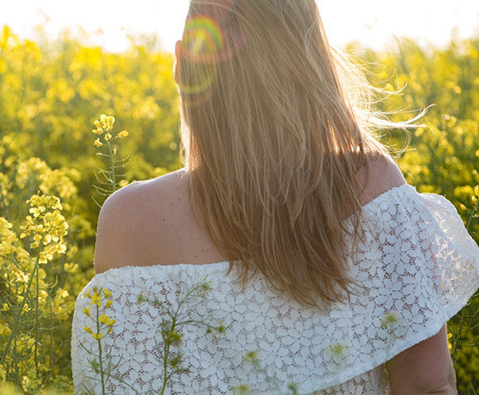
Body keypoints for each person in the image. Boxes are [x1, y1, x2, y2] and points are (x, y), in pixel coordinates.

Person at [71, 0, 479, 393]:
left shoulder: (131, 222)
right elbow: (427, 386)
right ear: (313, 62)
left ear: (181, 65)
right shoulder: (371, 186)